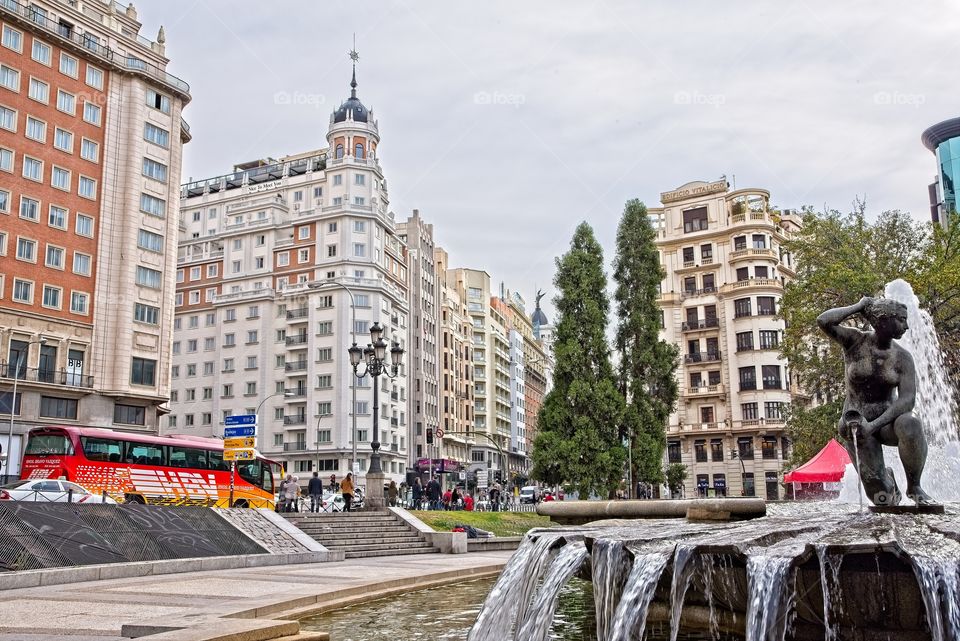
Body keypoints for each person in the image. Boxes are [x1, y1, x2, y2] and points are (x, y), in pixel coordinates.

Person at [817, 296, 933, 506]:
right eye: (901, 319)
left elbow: (907, 400)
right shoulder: (854, 342)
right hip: (857, 427)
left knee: (911, 422)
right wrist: (859, 306)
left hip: (887, 424)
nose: (906, 326)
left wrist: (874, 425)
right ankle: (886, 480)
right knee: (883, 500)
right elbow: (824, 321)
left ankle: (914, 486)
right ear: (882, 320)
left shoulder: (902, 358)